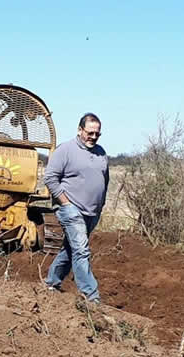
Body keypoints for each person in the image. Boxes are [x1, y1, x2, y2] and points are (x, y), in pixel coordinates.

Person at [43, 113, 109, 303]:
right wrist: (65, 202)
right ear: (80, 130)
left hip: (92, 211)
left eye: (97, 134)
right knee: (81, 250)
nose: (93, 137)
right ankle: (91, 295)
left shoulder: (101, 152)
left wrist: (101, 204)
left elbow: (105, 180)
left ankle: (51, 282)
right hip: (71, 209)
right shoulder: (66, 150)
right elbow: (50, 178)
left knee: (71, 249)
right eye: (90, 133)